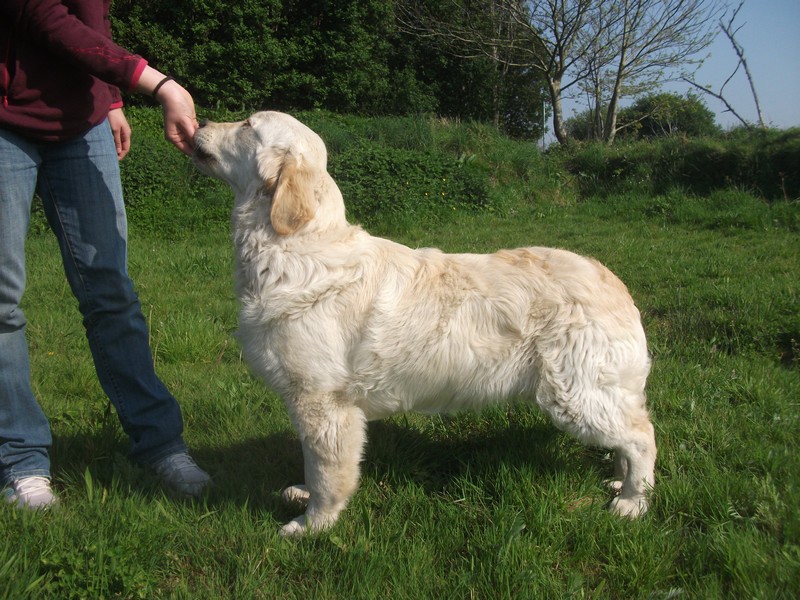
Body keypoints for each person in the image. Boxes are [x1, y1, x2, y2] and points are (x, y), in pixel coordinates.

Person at [1, 0, 210, 509]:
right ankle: (21, 459)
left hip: (84, 119)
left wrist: (111, 98)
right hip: (5, 118)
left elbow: (91, 16)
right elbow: (46, 17)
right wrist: (162, 85)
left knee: (111, 291)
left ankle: (160, 444)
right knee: (1, 301)